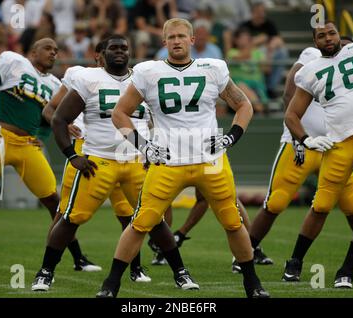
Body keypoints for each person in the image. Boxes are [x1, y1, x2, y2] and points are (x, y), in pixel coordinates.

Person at [97, 18, 269, 298]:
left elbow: (243, 105)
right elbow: (120, 112)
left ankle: (253, 283)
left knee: (233, 221)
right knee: (140, 223)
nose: (176, 41)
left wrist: (231, 137)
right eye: (171, 37)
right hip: (167, 160)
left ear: (192, 40)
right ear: (164, 42)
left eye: (181, 36)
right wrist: (143, 146)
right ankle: (110, 284)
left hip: (210, 160)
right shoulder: (148, 72)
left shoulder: (213, 68)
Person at [31, 34, 193, 292]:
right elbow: (59, 118)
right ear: (101, 53)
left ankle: (181, 273)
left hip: (136, 161)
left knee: (154, 220)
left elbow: (160, 119)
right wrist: (72, 156)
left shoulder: (144, 78)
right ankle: (45, 272)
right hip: (99, 161)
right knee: (72, 217)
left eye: (124, 48)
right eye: (113, 48)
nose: (119, 51)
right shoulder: (89, 78)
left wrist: (154, 150)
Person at [0, 38, 96, 273]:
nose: (53, 53)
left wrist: (43, 137)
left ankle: (78, 258)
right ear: (33, 50)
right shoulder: (14, 64)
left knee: (56, 204)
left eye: (56, 51)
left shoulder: (56, 85)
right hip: (0, 139)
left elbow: (52, 118)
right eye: (47, 48)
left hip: (27, 146)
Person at [249, 37, 353, 282]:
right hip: (315, 145)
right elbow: (289, 102)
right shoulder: (309, 62)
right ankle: (251, 251)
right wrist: (301, 139)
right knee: (280, 202)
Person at [39, 39, 151, 283]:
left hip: (126, 155)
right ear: (97, 56)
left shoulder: (135, 78)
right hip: (89, 151)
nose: (114, 55)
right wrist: (67, 131)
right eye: (108, 51)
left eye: (123, 49)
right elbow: (51, 111)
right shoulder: (82, 76)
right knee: (68, 213)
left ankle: (136, 267)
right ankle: (57, 265)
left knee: (129, 215)